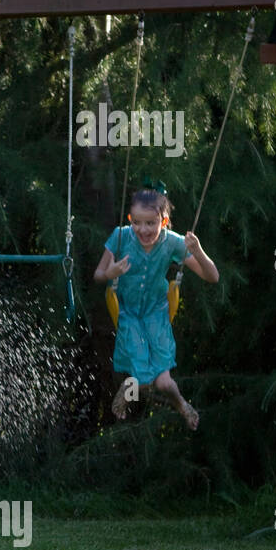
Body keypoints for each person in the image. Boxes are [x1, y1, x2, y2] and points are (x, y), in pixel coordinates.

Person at [93, 183, 220, 429]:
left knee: (163, 383)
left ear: (164, 220)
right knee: (141, 379)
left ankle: (181, 404)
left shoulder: (173, 243)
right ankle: (126, 391)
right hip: (129, 315)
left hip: (157, 315)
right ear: (130, 219)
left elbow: (212, 277)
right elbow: (98, 275)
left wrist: (198, 251)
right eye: (137, 222)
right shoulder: (120, 236)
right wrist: (111, 271)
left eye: (150, 223)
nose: (143, 229)